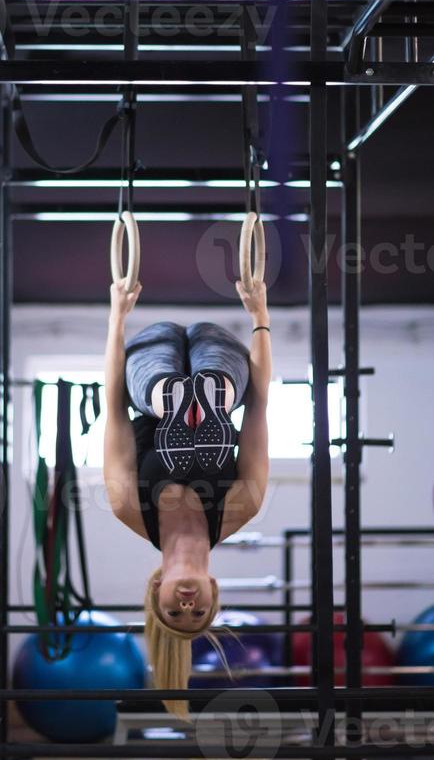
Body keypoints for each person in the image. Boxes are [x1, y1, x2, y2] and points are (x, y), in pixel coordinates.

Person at [103, 277, 271, 719]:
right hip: (223, 367)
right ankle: (204, 405)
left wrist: (117, 316)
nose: (187, 606)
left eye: (175, 613)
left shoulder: (129, 508)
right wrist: (260, 317)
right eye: (198, 613)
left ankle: (175, 406)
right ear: (214, 592)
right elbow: (260, 408)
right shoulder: (240, 507)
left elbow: (114, 409)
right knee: (227, 388)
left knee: (152, 390)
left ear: (156, 590)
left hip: (149, 369)